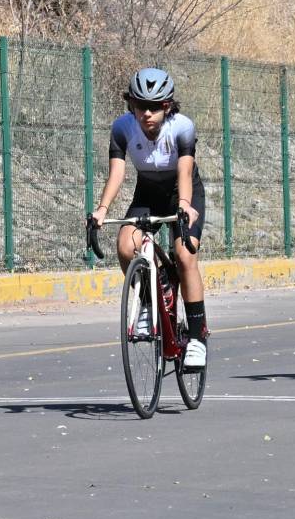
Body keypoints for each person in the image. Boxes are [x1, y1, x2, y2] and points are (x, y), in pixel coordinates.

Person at [89, 67, 208, 369]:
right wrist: (102, 209)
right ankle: (147, 301)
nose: (147, 113)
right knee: (125, 245)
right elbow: (117, 173)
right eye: (140, 105)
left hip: (182, 191)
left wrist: (184, 205)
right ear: (131, 103)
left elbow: (185, 171)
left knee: (184, 255)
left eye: (155, 106)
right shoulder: (122, 127)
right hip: (148, 192)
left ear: (168, 106)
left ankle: (196, 337)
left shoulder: (182, 127)